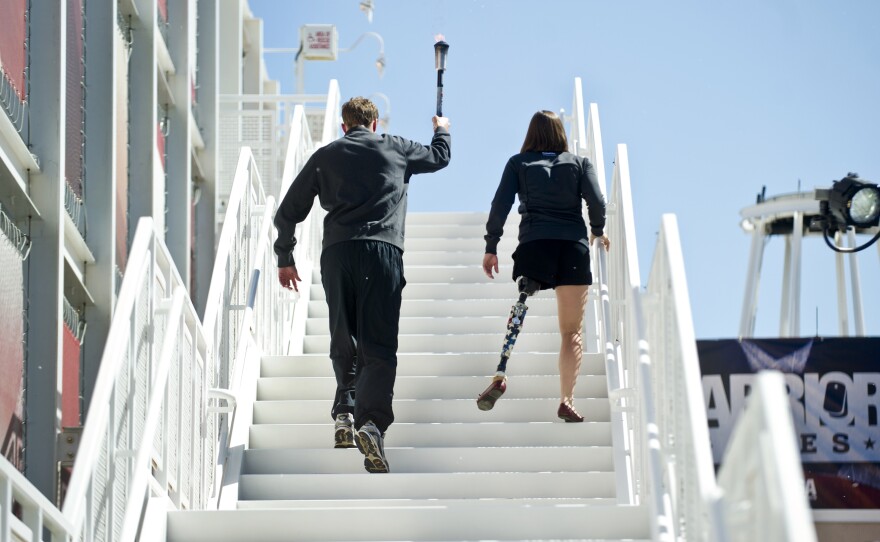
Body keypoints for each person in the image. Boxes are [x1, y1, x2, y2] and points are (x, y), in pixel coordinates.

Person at [274, 97, 451, 473]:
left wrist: (285, 257)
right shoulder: (397, 147)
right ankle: (370, 422)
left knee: (344, 336)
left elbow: (287, 212)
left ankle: (344, 411)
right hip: (382, 251)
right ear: (375, 123)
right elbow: (439, 158)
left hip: (338, 252)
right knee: (379, 344)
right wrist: (442, 129)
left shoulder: (326, 155)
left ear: (344, 126)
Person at [478, 110, 609, 422]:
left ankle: (501, 370)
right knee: (571, 332)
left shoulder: (518, 163)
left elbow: (500, 204)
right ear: (561, 134)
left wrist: (491, 246)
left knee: (522, 303)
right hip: (572, 247)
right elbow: (597, 203)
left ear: (531, 134)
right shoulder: (580, 164)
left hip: (535, 246)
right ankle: (567, 399)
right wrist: (598, 231)